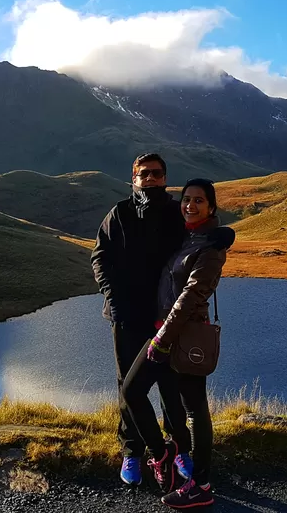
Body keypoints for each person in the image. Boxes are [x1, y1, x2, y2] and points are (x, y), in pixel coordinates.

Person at [120, 178, 234, 509]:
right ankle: (163, 453)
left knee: (195, 410)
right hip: (164, 330)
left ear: (211, 207)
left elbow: (190, 297)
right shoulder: (190, 236)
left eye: (199, 200)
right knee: (134, 391)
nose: (190, 205)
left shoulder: (210, 247)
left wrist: (162, 339)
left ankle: (200, 485)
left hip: (180, 337)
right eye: (186, 199)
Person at [92, 153, 190, 486]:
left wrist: (220, 236)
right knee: (128, 386)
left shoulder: (177, 214)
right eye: (144, 174)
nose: (150, 179)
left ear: (165, 178)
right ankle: (132, 452)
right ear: (133, 178)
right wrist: (112, 299)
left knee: (169, 383)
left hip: (167, 316)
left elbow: (200, 240)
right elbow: (99, 257)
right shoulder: (119, 213)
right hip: (126, 315)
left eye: (157, 174)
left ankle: (179, 449)